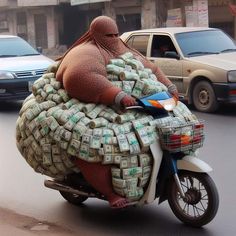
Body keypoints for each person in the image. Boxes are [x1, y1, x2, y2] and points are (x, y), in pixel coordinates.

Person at [56, 15, 178, 209]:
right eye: (108, 35)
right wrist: (115, 95)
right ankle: (110, 193)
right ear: (97, 34)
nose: (113, 38)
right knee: (92, 144)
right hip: (94, 107)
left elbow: (151, 68)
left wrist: (169, 86)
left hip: (136, 108)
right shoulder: (86, 51)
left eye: (116, 34)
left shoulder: (124, 49)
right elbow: (79, 75)